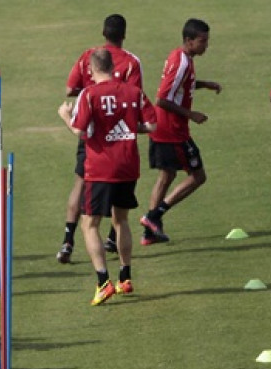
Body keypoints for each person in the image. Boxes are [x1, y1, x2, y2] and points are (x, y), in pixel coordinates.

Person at [58, 48, 156, 305]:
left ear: (91, 70)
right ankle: (125, 277)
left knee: (89, 224)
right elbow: (152, 125)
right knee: (121, 220)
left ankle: (103, 282)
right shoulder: (133, 92)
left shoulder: (89, 94)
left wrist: (66, 116)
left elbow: (80, 131)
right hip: (128, 165)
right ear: (113, 67)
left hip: (100, 168)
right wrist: (127, 130)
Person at [56, 13, 143, 264]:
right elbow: (136, 96)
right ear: (124, 35)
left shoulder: (89, 56)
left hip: (91, 131)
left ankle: (67, 241)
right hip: (120, 137)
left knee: (81, 183)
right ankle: (112, 242)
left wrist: (88, 94)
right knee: (120, 207)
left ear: (103, 33)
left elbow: (70, 89)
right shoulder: (131, 63)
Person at [139, 18, 221, 246]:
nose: (206, 45)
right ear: (189, 40)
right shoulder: (182, 62)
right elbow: (163, 99)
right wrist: (191, 114)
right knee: (197, 176)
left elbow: (180, 85)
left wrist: (205, 85)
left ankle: (149, 233)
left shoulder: (181, 57)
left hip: (163, 128)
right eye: (202, 41)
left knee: (166, 176)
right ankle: (153, 216)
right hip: (171, 130)